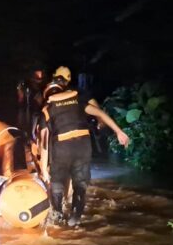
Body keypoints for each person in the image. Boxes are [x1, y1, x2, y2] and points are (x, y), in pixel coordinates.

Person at [39, 77, 130, 227]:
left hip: (61, 148)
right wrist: (119, 132)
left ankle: (57, 218)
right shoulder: (77, 101)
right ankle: (75, 219)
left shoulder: (47, 110)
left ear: (47, 96)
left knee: (56, 185)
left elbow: (44, 141)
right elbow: (100, 113)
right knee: (80, 184)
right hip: (82, 146)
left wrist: (43, 167)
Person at [16, 68, 45, 137]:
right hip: (25, 110)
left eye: (40, 77)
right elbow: (20, 99)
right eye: (37, 76)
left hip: (37, 114)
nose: (39, 79)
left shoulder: (42, 88)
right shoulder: (26, 85)